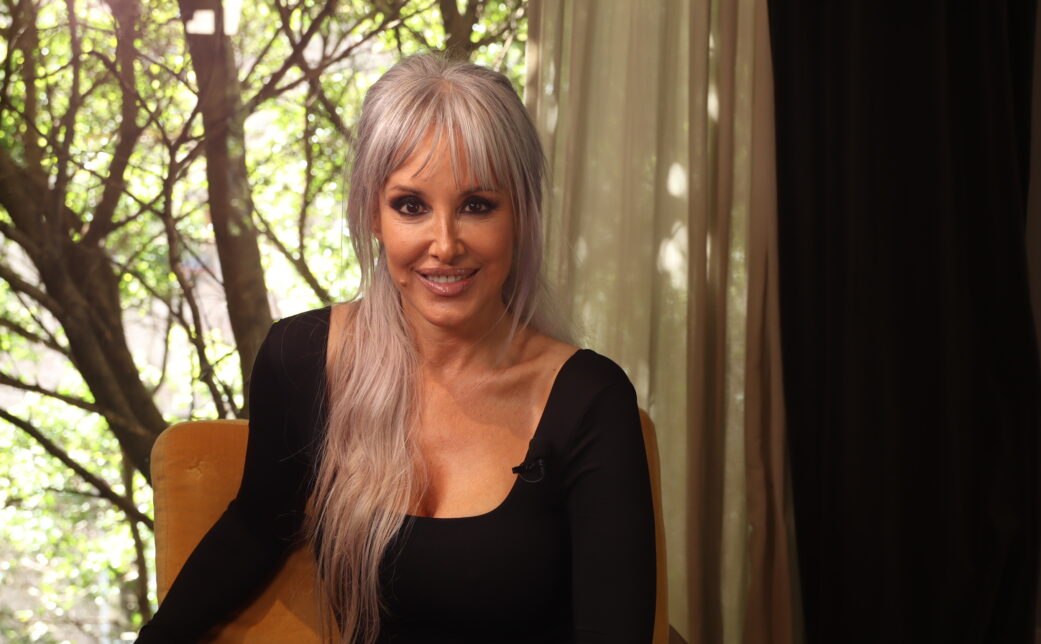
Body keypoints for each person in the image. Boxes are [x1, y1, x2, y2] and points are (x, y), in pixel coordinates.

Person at [138, 54, 656, 643]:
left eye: (477, 205)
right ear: (372, 214)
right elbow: (256, 528)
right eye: (411, 205)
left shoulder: (590, 398)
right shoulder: (301, 361)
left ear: (521, 215)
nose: (445, 244)